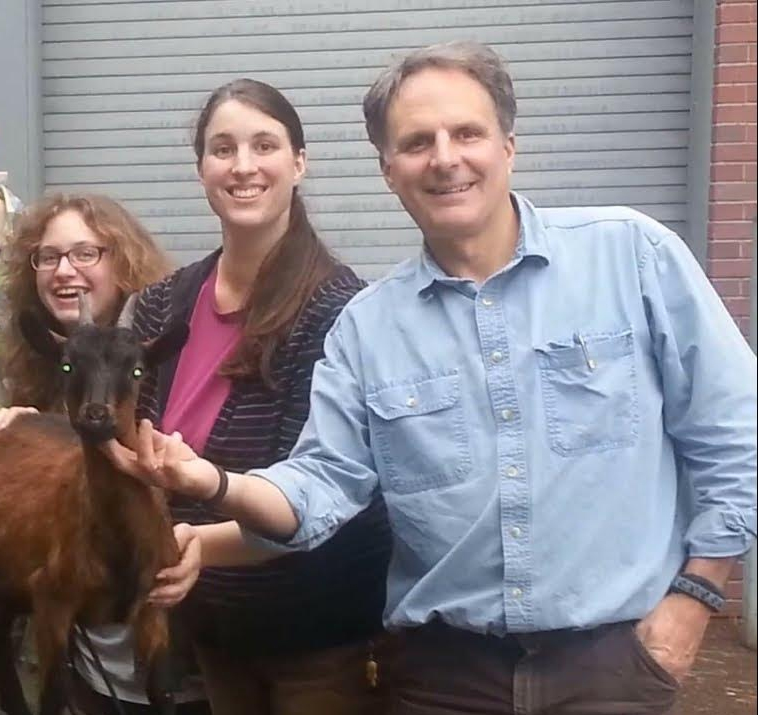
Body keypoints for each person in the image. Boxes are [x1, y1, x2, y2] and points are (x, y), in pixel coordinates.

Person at [104, 42, 757, 715]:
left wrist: (698, 596)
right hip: (444, 676)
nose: (445, 158)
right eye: (417, 142)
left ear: (509, 145)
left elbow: (736, 430)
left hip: (609, 666)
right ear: (389, 170)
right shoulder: (367, 327)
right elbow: (323, 482)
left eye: (466, 132)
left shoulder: (631, 256)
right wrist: (210, 481)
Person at [108, 78, 392, 715]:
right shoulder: (161, 305)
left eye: (264, 145)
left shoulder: (340, 310)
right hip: (210, 632)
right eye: (222, 148)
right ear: (201, 168)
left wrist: (196, 545)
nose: (242, 166)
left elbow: (324, 493)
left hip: (317, 639)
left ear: (299, 162)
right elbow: (133, 441)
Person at [0, 192, 211, 714]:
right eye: (48, 257)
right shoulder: (36, 373)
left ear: (122, 256)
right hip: (88, 661)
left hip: (184, 648)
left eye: (84, 253)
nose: (64, 270)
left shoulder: (167, 367)